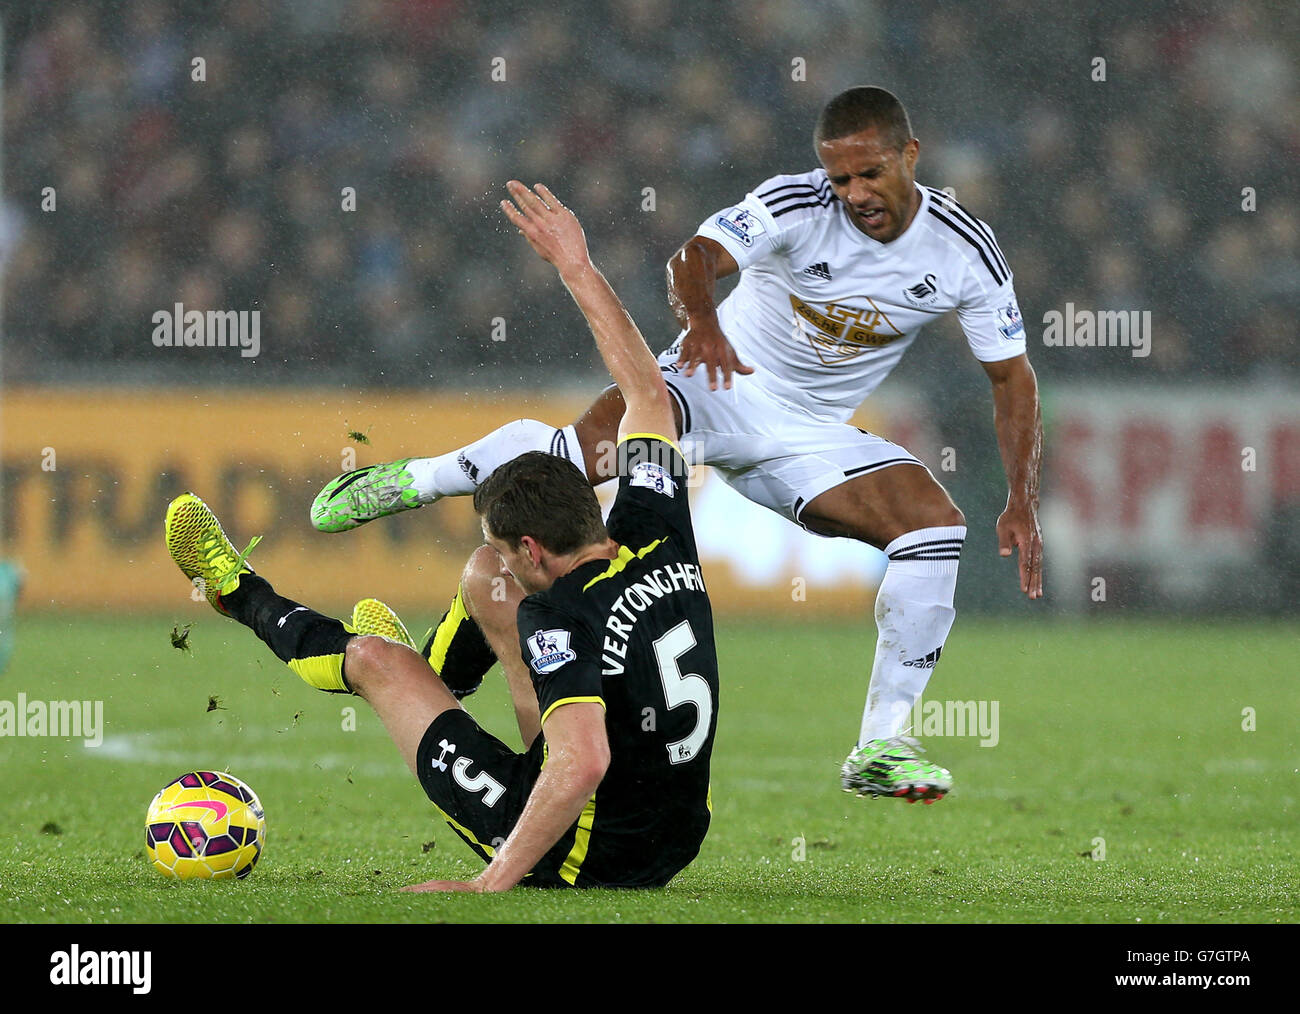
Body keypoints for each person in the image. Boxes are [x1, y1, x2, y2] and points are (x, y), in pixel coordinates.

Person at [312, 86, 1043, 803]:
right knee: (567, 461)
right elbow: (693, 256)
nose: (853, 192)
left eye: (870, 173)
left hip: (807, 435)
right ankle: (417, 480)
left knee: (935, 530)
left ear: (909, 155)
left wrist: (1020, 499)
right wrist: (703, 323)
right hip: (709, 382)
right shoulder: (795, 205)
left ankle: (882, 741)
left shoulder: (965, 252)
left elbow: (1012, 380)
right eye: (840, 177)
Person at [164, 181, 717, 890]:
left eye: (509, 549)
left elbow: (582, 764)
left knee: (375, 662)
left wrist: (493, 882)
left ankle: (236, 590)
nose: (506, 562)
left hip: (588, 853)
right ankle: (434, 670)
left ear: (537, 550)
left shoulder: (557, 615)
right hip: (675, 835)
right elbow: (646, 391)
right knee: (482, 582)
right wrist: (576, 266)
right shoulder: (658, 526)